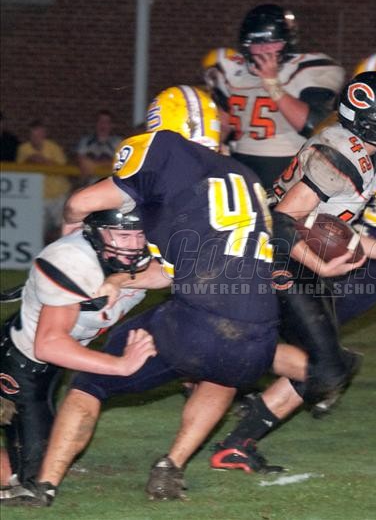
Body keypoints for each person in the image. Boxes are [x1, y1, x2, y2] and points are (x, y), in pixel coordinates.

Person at [9, 85, 293, 506]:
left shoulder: (164, 149)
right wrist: (124, 280)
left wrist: (70, 225)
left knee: (91, 383)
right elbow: (170, 272)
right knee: (222, 375)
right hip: (260, 332)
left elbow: (84, 200)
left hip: (200, 319)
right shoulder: (245, 175)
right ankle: (170, 466)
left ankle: (43, 486)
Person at [209, 71, 376, 472]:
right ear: (370, 120)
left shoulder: (370, 156)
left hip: (298, 259)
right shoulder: (339, 156)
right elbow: (282, 220)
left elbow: (330, 223)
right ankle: (221, 356)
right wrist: (318, 263)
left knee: (326, 366)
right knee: (325, 367)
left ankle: (235, 443)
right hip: (279, 257)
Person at [0, 209, 154, 501]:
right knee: (32, 475)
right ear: (96, 232)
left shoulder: (143, 252)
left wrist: (120, 279)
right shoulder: (72, 260)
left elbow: (168, 272)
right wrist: (121, 365)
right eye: (123, 235)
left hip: (51, 363)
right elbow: (49, 345)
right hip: (19, 363)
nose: (134, 245)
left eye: (140, 234)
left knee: (49, 453)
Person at [210, 4, 345, 186]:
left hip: (290, 163)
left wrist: (272, 84)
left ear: (287, 42)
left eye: (273, 43)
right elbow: (223, 123)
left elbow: (314, 125)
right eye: (257, 44)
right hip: (241, 163)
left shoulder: (307, 69)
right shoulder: (231, 70)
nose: (264, 50)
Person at [16, 120, 72, 243]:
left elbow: (63, 168)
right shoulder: (23, 149)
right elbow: (20, 170)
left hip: (58, 194)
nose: (36, 138)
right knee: (37, 229)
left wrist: (42, 160)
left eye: (39, 134)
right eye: (33, 135)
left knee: (64, 227)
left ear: (44, 134)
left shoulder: (54, 148)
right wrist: (30, 160)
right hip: (37, 197)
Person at [76, 110, 123, 184]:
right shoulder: (85, 142)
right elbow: (79, 158)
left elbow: (121, 162)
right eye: (100, 121)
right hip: (89, 184)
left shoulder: (118, 142)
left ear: (111, 125)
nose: (103, 125)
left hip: (110, 185)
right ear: (95, 124)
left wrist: (95, 165)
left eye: (106, 122)